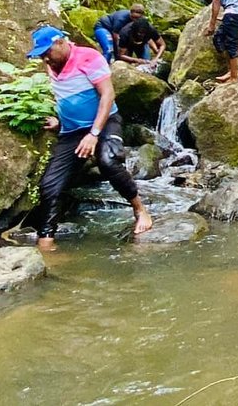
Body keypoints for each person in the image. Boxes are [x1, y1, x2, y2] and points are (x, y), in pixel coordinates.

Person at [28, 26, 152, 250]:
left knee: (108, 160)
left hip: (104, 122)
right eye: (41, 54)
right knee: (50, 186)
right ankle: (46, 242)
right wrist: (59, 122)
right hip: (71, 131)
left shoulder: (89, 57)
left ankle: (139, 209)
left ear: (60, 42)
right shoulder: (51, 64)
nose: (45, 58)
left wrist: (94, 134)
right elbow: (64, 96)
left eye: (47, 51)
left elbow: (107, 94)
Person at [117, 4, 165, 70]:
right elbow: (121, 55)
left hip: (142, 45)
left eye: (143, 34)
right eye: (139, 33)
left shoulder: (150, 29)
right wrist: (136, 60)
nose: (141, 35)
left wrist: (156, 59)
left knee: (147, 66)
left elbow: (162, 45)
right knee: (126, 67)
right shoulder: (125, 32)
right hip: (128, 45)